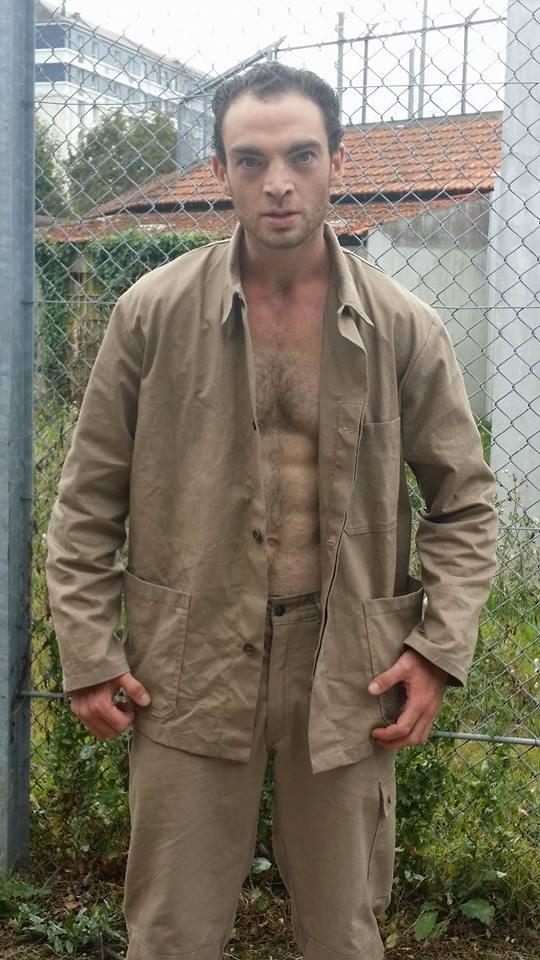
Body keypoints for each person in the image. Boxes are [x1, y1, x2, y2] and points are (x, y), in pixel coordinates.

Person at [46, 63, 498, 960]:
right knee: (170, 932)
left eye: (300, 156)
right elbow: (88, 500)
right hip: (186, 659)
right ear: (220, 171)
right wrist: (89, 653)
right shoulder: (150, 315)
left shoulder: (403, 326)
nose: (278, 183)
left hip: (350, 666)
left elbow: (464, 501)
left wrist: (436, 650)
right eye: (251, 161)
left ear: (338, 161)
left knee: (343, 932)